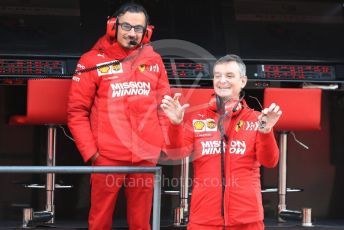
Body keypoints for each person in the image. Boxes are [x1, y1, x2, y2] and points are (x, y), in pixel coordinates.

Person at [67, 2, 171, 230]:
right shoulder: (91, 61)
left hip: (145, 156)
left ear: (147, 32)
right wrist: (92, 152)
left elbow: (164, 106)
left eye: (138, 29)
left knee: (142, 224)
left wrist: (161, 144)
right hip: (107, 156)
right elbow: (76, 112)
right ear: (113, 26)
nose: (132, 33)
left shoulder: (154, 61)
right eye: (126, 26)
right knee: (99, 222)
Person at [161, 54, 282, 230]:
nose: (222, 80)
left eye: (229, 76)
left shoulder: (257, 119)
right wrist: (175, 124)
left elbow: (269, 162)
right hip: (204, 219)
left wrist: (266, 131)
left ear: (243, 81)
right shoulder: (197, 119)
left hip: (247, 219)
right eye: (217, 76)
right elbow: (175, 154)